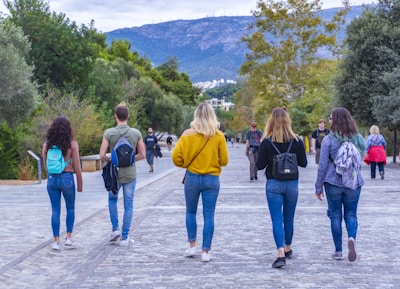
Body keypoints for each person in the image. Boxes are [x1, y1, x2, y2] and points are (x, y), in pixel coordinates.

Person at [172, 102, 229, 262]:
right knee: (209, 214)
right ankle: (206, 251)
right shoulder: (218, 136)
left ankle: (191, 246)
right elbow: (224, 160)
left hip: (192, 178)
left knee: (191, 212)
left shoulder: (187, 135)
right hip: (212, 178)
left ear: (196, 115)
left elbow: (175, 157)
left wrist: (186, 164)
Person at [256, 108, 307, 268]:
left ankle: (280, 254)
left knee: (277, 219)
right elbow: (303, 163)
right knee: (289, 217)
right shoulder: (297, 140)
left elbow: (259, 166)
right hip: (292, 183)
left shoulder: (266, 141)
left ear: (271, 121)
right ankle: (288, 247)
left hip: (274, 183)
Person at [315, 107, 365, 262]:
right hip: (354, 182)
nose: (329, 121)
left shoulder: (328, 140)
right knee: (351, 214)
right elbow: (359, 161)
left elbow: (322, 165)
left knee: (335, 215)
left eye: (330, 118)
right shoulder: (358, 138)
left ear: (335, 121)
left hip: (333, 182)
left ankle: (338, 251)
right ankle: (351, 237)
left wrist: (318, 187)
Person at [99, 102, 146, 246]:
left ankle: (115, 229)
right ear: (128, 116)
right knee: (129, 205)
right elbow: (143, 154)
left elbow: (102, 155)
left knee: (112, 200)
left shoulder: (109, 133)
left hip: (115, 174)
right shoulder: (136, 133)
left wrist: (112, 160)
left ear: (115, 116)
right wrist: (131, 160)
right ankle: (125, 237)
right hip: (130, 173)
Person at [42, 116, 83, 250]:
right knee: (70, 208)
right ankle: (69, 238)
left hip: (52, 179)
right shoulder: (72, 143)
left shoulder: (47, 143)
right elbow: (77, 165)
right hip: (67, 177)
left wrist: (49, 176)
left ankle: (56, 241)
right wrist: (80, 183)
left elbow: (45, 162)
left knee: (55, 210)